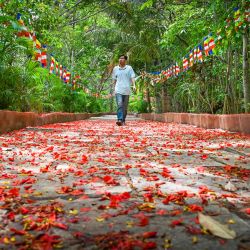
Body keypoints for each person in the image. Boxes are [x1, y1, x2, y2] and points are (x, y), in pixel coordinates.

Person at [112, 55, 135, 126]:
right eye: (120, 58)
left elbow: (132, 77)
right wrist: (113, 88)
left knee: (124, 107)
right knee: (119, 104)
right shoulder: (115, 68)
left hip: (127, 90)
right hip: (118, 89)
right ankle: (119, 119)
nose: (120, 59)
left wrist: (134, 85)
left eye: (122, 58)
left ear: (125, 60)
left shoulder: (129, 68)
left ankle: (123, 120)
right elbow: (114, 79)